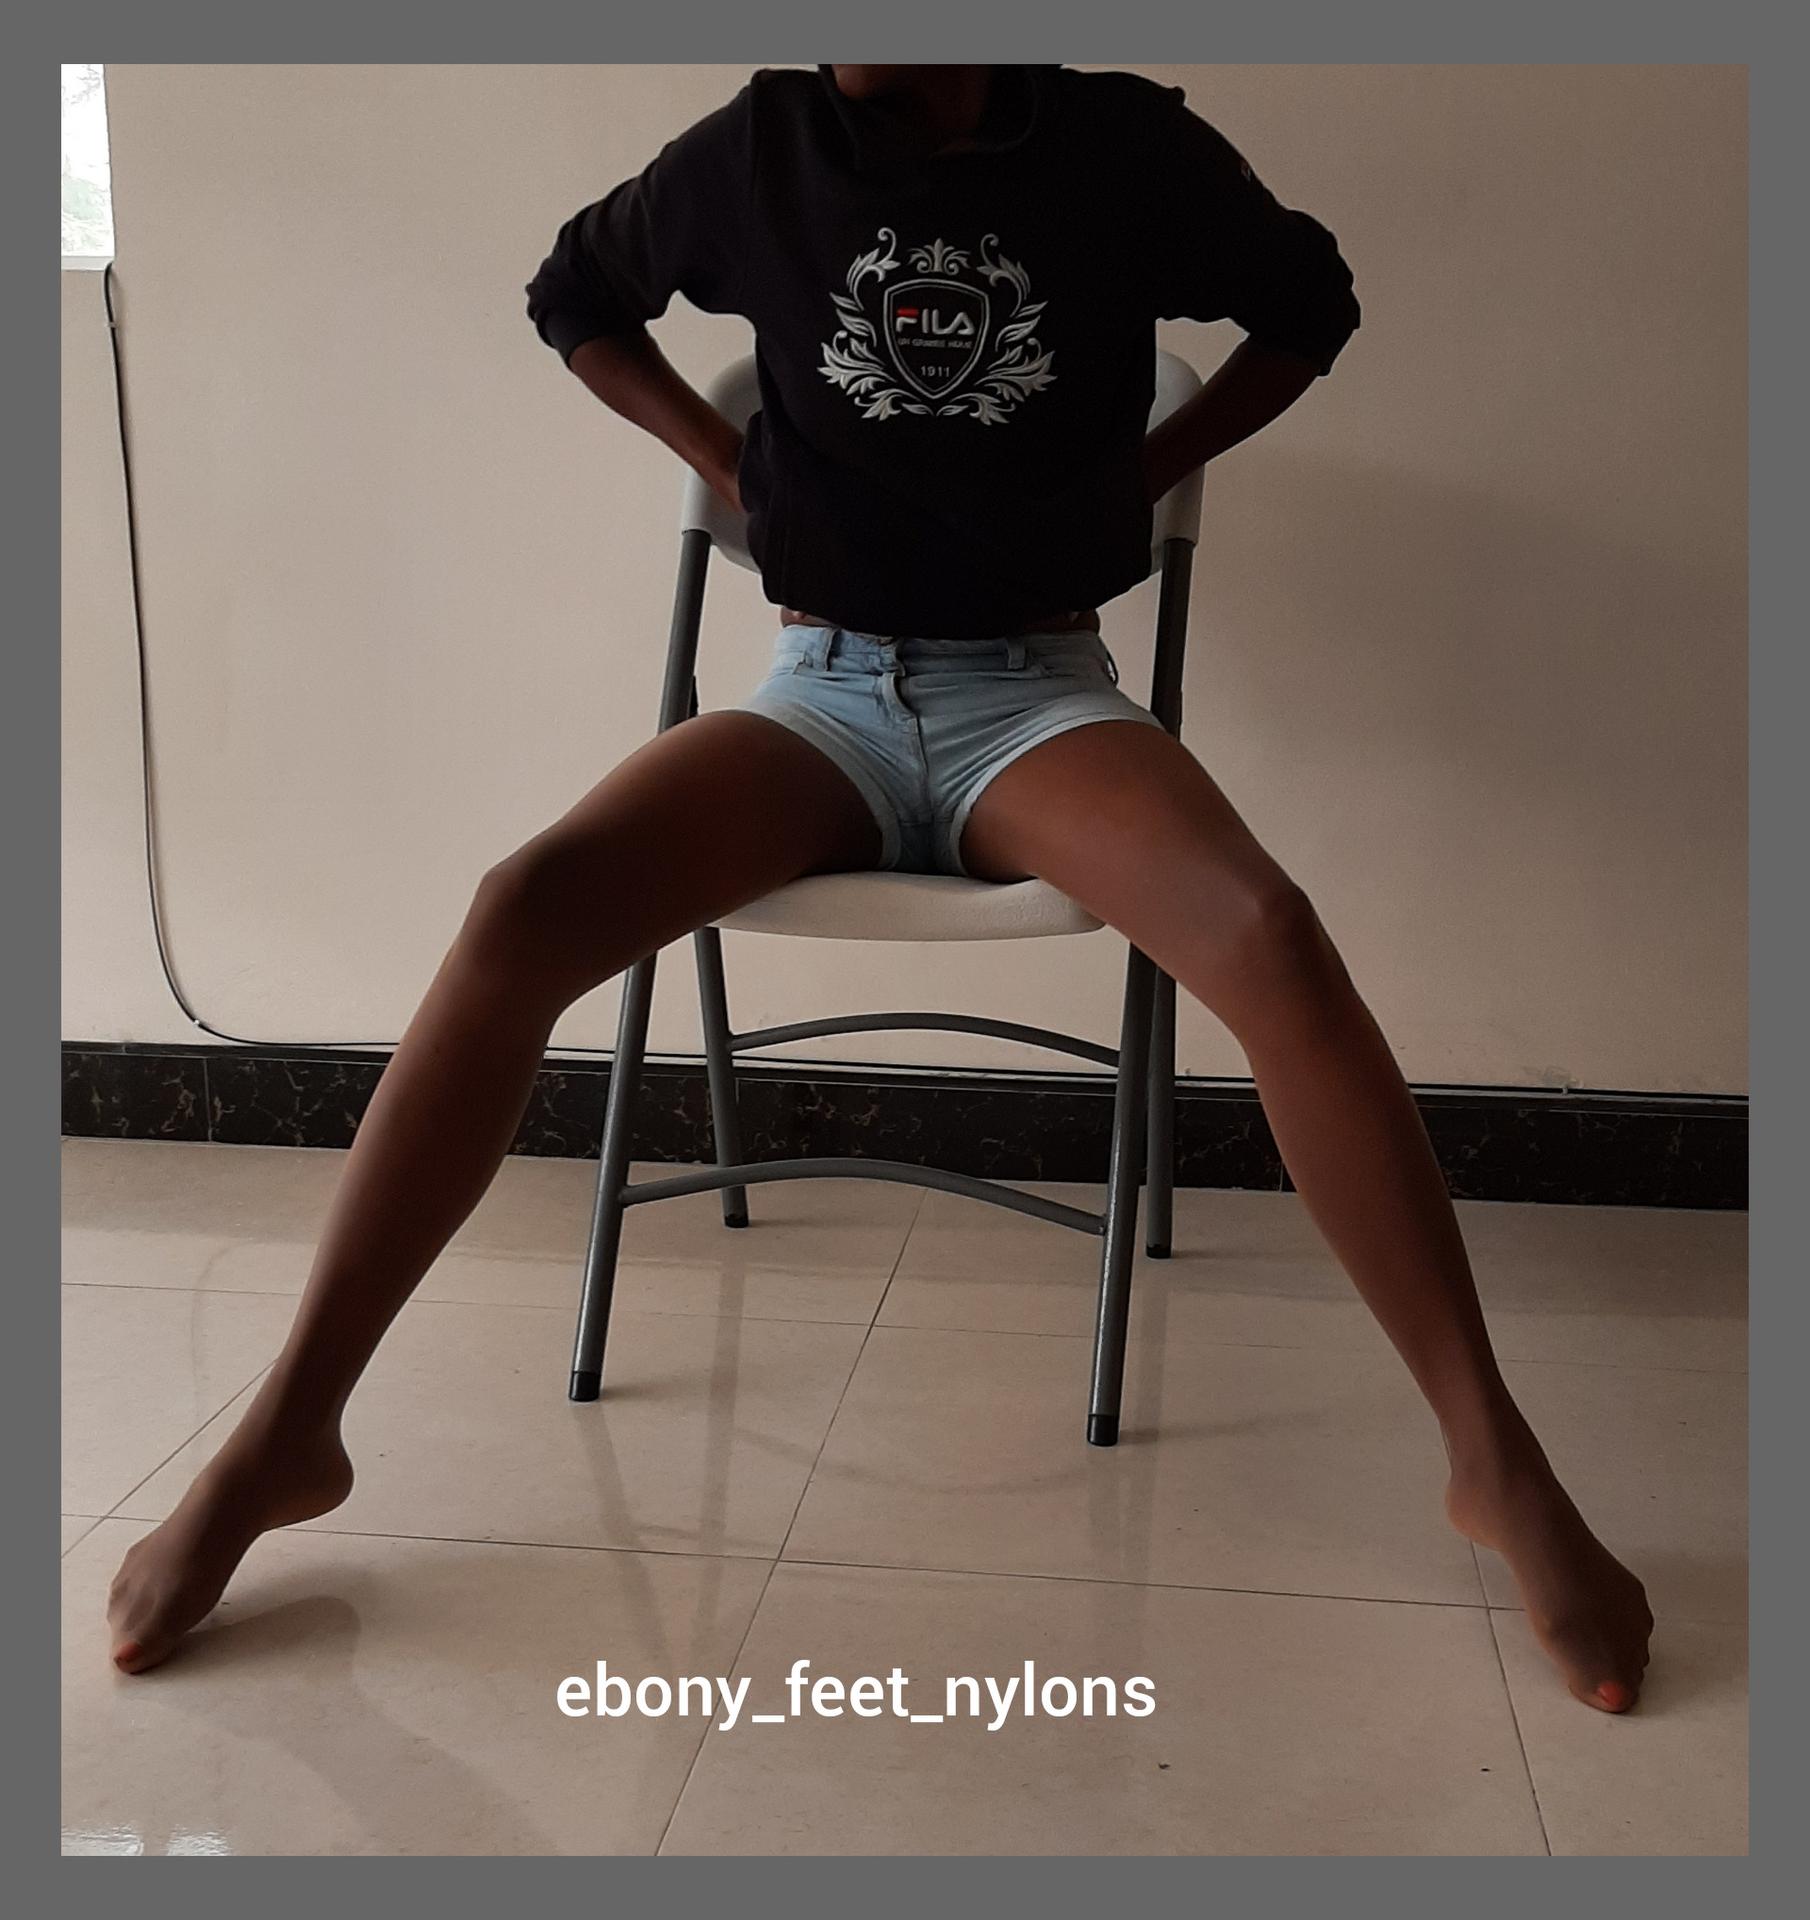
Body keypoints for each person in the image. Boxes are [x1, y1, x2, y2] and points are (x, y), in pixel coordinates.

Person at [107, 64, 1652, 1712]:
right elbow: (576, 294)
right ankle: (290, 1431)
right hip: (820, 695)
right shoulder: (765, 145)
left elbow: (1305, 302)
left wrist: (1146, 468)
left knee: (1265, 936)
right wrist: (732, 464)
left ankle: (1489, 1456)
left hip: (1035, 699)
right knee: (521, 907)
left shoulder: (1118, 144)